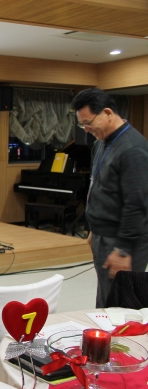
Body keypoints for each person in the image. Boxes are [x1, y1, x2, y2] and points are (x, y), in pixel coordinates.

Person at [71, 88, 148, 308]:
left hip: (124, 240)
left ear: (107, 113)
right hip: (104, 235)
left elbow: (137, 204)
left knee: (120, 306)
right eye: (82, 125)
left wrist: (122, 250)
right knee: (105, 300)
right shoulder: (101, 143)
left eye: (88, 123)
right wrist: (94, 229)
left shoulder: (132, 149)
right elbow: (102, 188)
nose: (86, 129)